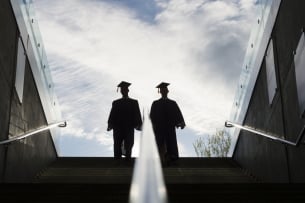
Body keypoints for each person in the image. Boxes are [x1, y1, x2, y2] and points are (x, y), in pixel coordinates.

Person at [150, 82, 185, 165]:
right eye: (162, 90)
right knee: (160, 144)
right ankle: (162, 160)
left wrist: (181, 122)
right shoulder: (155, 103)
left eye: (165, 90)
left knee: (171, 144)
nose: (164, 91)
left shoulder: (172, 103)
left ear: (167, 91)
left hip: (170, 127)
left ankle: (169, 159)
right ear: (160, 92)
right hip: (159, 128)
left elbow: (178, 114)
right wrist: (152, 126)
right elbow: (152, 116)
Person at [107, 81, 142, 161]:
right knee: (117, 143)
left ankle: (128, 159)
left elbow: (137, 113)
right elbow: (112, 114)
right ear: (121, 91)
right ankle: (117, 159)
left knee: (129, 142)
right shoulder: (116, 103)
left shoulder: (134, 102)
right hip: (118, 126)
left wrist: (138, 124)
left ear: (128, 90)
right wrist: (110, 124)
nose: (124, 91)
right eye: (122, 90)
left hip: (129, 126)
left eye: (125, 89)